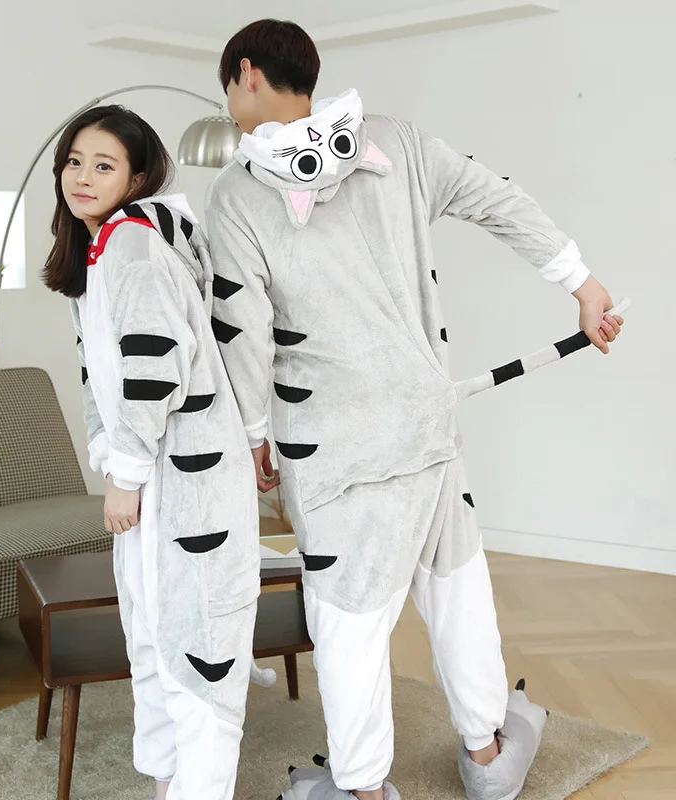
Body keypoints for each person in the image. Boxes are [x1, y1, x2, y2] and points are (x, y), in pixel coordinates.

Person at [204, 20, 624, 800]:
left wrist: (253, 433)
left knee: (350, 619)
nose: (229, 105)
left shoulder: (236, 194)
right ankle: (489, 755)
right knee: (457, 588)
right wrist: (582, 282)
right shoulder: (393, 142)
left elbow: (241, 329)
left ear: (248, 73)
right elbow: (497, 198)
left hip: (333, 449)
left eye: (227, 87)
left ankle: (364, 788)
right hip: (427, 424)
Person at [42, 104, 261, 800]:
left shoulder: (133, 245)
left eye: (103, 166)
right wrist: (110, 454)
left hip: (186, 476)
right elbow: (96, 375)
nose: (82, 176)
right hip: (155, 473)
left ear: (136, 179)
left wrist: (126, 475)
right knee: (151, 637)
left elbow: (154, 367)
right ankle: (170, 783)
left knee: (193, 650)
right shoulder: (101, 249)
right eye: (75, 162)